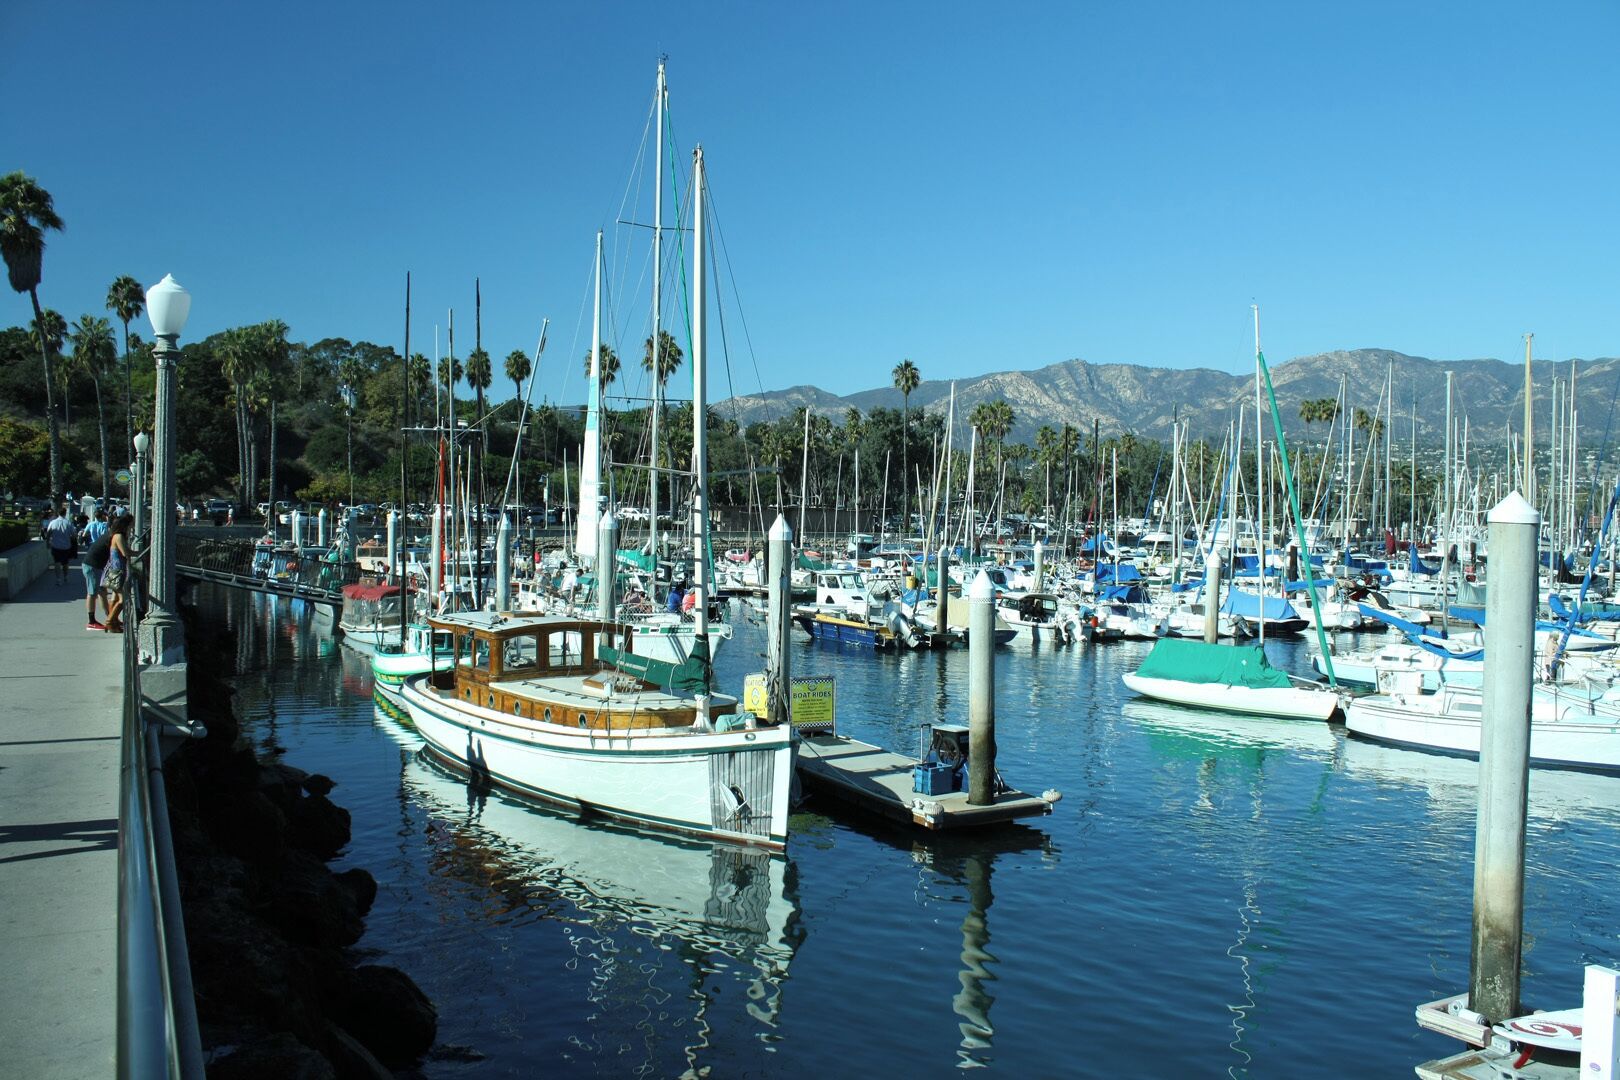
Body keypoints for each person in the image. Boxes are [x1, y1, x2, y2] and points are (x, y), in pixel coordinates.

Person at [101, 513, 141, 633]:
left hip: (116, 569)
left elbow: (127, 552)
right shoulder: (118, 537)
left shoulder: (116, 536)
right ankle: (109, 621)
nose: (132, 527)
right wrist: (137, 554)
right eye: (131, 525)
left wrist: (137, 553)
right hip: (118, 571)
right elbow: (125, 553)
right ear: (125, 525)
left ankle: (114, 621)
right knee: (122, 599)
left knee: (115, 597)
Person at [80, 510, 109, 628]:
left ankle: (110, 617)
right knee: (92, 593)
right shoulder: (105, 529)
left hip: (93, 551)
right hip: (93, 562)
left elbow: (84, 535)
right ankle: (91, 621)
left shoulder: (91, 524)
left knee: (102, 591)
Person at [41, 502, 77, 584]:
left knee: (57, 562)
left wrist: (47, 543)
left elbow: (49, 533)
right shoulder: (68, 523)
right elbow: (74, 535)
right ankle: (66, 577)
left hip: (56, 546)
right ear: (65, 513)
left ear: (58, 513)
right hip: (66, 546)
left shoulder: (53, 522)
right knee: (65, 563)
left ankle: (58, 579)